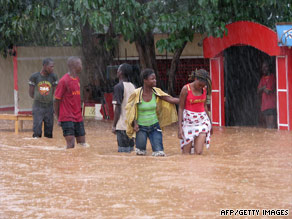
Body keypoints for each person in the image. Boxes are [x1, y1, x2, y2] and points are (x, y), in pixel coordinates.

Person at [126, 68, 179, 156]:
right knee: (140, 154)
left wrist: (187, 100)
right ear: (145, 80)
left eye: (155, 78)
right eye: (152, 79)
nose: (155, 81)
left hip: (155, 127)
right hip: (140, 128)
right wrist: (134, 124)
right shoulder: (136, 94)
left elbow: (171, 99)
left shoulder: (156, 92)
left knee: (159, 153)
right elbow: (131, 111)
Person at [54, 56, 89, 149]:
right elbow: (56, 100)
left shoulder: (77, 79)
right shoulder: (63, 81)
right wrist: (58, 118)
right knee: (71, 146)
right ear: (74, 66)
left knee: (83, 145)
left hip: (78, 117)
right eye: (80, 64)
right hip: (66, 117)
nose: (81, 66)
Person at [178, 69, 212, 155]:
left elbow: (204, 106)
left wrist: (210, 124)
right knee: (186, 153)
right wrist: (179, 128)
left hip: (202, 122)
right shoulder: (186, 89)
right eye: (199, 85)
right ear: (196, 79)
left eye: (203, 86)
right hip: (188, 123)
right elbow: (181, 108)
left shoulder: (204, 89)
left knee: (198, 152)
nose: (201, 87)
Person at [28, 58, 58, 138]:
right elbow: (31, 93)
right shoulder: (34, 77)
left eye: (53, 67)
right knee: (37, 133)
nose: (52, 69)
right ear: (44, 66)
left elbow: (53, 91)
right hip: (38, 107)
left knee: (49, 133)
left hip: (49, 107)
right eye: (50, 67)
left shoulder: (54, 77)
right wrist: (40, 99)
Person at [112, 63, 136, 152]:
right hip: (132, 126)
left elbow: (117, 108)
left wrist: (114, 125)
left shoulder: (118, 87)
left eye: (118, 70)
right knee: (130, 152)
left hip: (122, 126)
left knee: (123, 153)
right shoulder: (133, 86)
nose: (117, 71)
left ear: (120, 72)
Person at [257, 61, 276, 129]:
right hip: (265, 105)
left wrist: (263, 89)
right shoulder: (262, 78)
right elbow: (258, 90)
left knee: (271, 126)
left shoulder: (272, 77)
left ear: (269, 68)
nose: (263, 69)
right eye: (262, 68)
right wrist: (263, 88)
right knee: (268, 127)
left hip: (271, 105)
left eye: (265, 67)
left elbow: (269, 91)